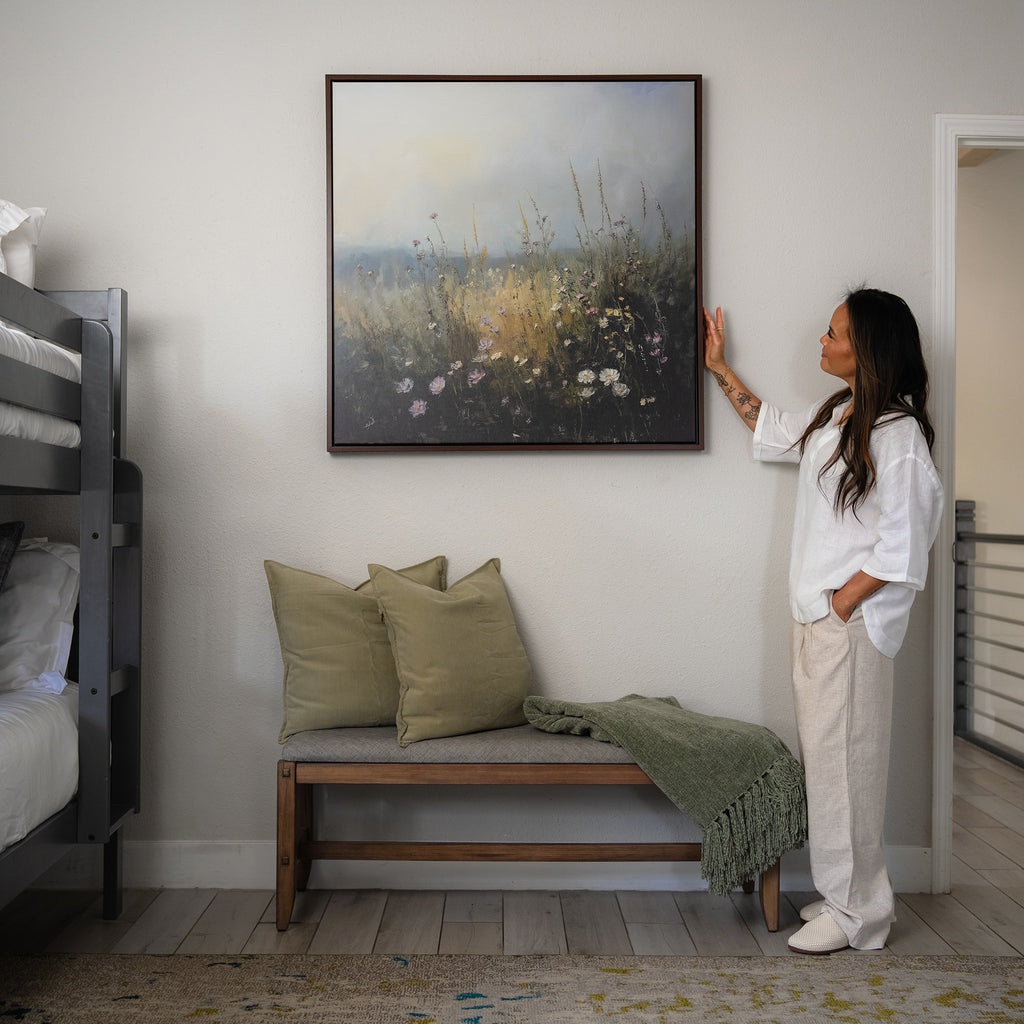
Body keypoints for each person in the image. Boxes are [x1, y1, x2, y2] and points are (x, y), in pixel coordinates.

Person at [703, 289, 943, 955]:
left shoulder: (897, 438)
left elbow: (904, 546)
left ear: (864, 347)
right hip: (817, 619)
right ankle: (843, 895)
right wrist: (720, 368)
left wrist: (843, 604)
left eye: (834, 332)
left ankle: (861, 915)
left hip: (849, 627)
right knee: (830, 767)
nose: (822, 339)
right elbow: (770, 425)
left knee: (848, 769)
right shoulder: (840, 415)